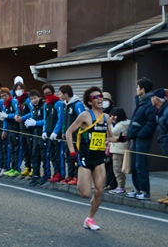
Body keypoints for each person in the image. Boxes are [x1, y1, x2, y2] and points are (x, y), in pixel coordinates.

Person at [65, 86, 116, 230]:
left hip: (99, 158)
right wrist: (72, 152)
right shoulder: (85, 116)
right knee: (85, 194)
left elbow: (111, 137)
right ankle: (81, 179)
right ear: (89, 102)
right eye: (96, 97)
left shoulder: (106, 118)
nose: (100, 99)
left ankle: (90, 219)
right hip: (85, 158)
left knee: (100, 190)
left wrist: (124, 137)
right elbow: (69, 133)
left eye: (101, 96)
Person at [126, 77, 157, 200]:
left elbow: (151, 123)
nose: (136, 90)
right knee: (134, 165)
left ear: (143, 89)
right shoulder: (141, 101)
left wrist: (139, 134)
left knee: (141, 165)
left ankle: (144, 190)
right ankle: (138, 189)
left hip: (142, 139)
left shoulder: (149, 103)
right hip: (135, 138)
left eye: (138, 88)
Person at [58, 84, 85, 185]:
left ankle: (77, 176)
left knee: (76, 157)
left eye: (60, 94)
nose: (59, 96)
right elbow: (65, 120)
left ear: (66, 94)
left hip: (76, 136)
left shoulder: (77, 104)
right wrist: (64, 131)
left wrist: (79, 132)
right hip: (68, 136)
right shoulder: (65, 104)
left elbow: (82, 119)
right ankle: (70, 175)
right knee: (68, 156)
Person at [41, 83, 64, 183]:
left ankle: (60, 173)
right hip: (48, 134)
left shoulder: (58, 103)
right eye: (45, 94)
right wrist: (44, 131)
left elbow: (61, 119)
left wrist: (56, 131)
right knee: (51, 155)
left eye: (49, 93)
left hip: (56, 134)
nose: (48, 95)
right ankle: (55, 172)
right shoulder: (46, 104)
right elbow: (45, 119)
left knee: (58, 154)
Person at [23, 89, 46, 186]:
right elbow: (32, 117)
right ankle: (36, 174)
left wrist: (35, 123)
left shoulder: (43, 106)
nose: (34, 100)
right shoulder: (33, 108)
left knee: (44, 156)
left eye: (35, 98)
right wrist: (29, 122)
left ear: (39, 97)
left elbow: (46, 121)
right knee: (34, 155)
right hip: (35, 134)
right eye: (32, 99)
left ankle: (46, 174)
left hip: (43, 134)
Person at [0, 87, 21, 177]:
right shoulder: (4, 104)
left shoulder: (14, 102)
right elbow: (5, 119)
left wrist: (8, 115)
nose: (4, 97)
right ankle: (12, 167)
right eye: (2, 96)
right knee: (11, 149)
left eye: (5, 95)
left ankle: (17, 168)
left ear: (9, 94)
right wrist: (4, 130)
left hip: (16, 128)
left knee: (16, 149)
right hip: (10, 129)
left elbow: (17, 114)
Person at [108, 107, 130, 195]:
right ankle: (120, 186)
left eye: (112, 115)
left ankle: (120, 187)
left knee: (117, 169)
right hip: (121, 148)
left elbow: (111, 133)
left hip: (118, 149)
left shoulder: (120, 125)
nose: (111, 117)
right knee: (119, 169)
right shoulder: (126, 123)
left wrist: (109, 123)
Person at [14, 82, 33, 178]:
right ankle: (27, 167)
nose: (18, 91)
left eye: (20, 88)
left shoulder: (28, 99)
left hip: (29, 128)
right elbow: (18, 111)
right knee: (25, 149)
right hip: (22, 128)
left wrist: (23, 118)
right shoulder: (18, 101)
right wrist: (17, 116)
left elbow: (32, 112)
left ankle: (33, 167)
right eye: (16, 89)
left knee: (31, 149)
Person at [102, 91, 117, 191]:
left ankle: (113, 183)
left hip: (111, 141)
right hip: (101, 140)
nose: (104, 102)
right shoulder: (100, 112)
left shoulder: (114, 112)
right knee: (105, 163)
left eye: (106, 100)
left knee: (111, 163)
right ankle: (106, 182)